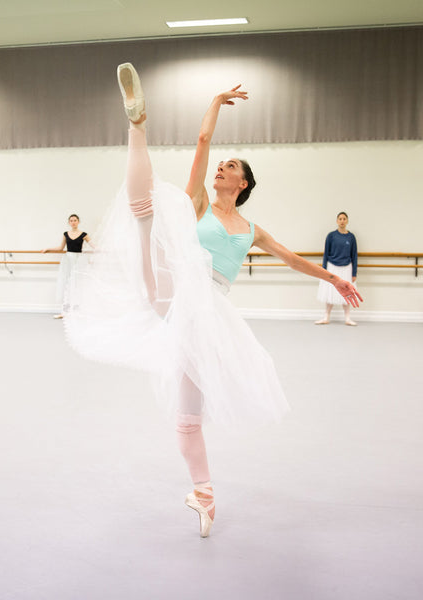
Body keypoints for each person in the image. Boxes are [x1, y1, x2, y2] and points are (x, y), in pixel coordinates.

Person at [65, 63, 362, 538]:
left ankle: (203, 495)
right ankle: (136, 123)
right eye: (221, 166)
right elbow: (202, 145)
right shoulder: (199, 203)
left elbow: (290, 258)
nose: (221, 168)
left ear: (241, 184)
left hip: (204, 310)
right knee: (147, 211)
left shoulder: (251, 229)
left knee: (187, 419)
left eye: (230, 168)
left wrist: (336, 279)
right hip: (175, 279)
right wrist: (213, 105)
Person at [42, 214, 93, 319]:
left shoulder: (84, 234)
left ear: (78, 222)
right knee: (67, 284)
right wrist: (48, 249)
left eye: (75, 220)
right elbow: (61, 248)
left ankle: (78, 310)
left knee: (78, 284)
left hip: (79, 260)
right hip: (68, 260)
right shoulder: (66, 234)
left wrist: (104, 250)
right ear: (69, 223)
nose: (73, 222)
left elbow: (94, 245)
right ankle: (64, 312)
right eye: (71, 220)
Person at [315, 212, 358, 326]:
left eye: (344, 219)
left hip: (347, 267)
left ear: (347, 221)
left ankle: (347, 318)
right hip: (332, 267)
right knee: (330, 292)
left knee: (347, 292)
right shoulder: (331, 236)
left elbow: (354, 256)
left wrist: (354, 273)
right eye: (340, 219)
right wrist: (323, 271)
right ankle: (326, 317)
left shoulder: (351, 237)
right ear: (337, 221)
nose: (342, 221)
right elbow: (326, 254)